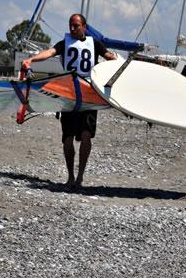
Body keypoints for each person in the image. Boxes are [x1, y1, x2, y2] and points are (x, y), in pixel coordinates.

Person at [21, 13, 118, 191]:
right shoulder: (64, 43)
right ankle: (70, 176)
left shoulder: (94, 43)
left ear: (84, 27)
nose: (72, 29)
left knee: (86, 135)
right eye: (70, 26)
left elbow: (109, 56)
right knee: (68, 138)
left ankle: (80, 176)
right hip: (69, 94)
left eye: (76, 26)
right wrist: (32, 59)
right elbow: (49, 53)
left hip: (89, 93)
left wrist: (118, 61)